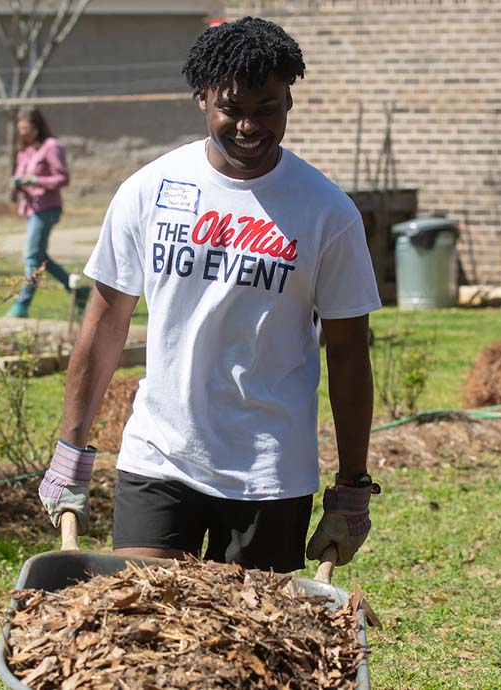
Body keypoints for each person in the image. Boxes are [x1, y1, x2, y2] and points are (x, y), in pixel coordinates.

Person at [38, 17, 381, 574]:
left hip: (269, 469)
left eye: (267, 108)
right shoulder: (148, 191)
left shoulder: (326, 213)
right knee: (143, 625)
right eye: (232, 108)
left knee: (247, 648)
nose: (249, 125)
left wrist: (352, 483)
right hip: (161, 454)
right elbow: (104, 326)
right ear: (202, 99)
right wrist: (70, 453)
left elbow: (347, 352)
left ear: (290, 100)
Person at [6, 108, 88, 318]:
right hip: (31, 208)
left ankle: (22, 305)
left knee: (31, 256)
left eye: (26, 128)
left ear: (37, 127)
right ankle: (77, 291)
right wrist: (16, 184)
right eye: (20, 129)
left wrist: (37, 180)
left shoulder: (52, 147)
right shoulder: (25, 151)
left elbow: (62, 178)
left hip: (46, 209)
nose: (22, 133)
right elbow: (19, 175)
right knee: (40, 258)